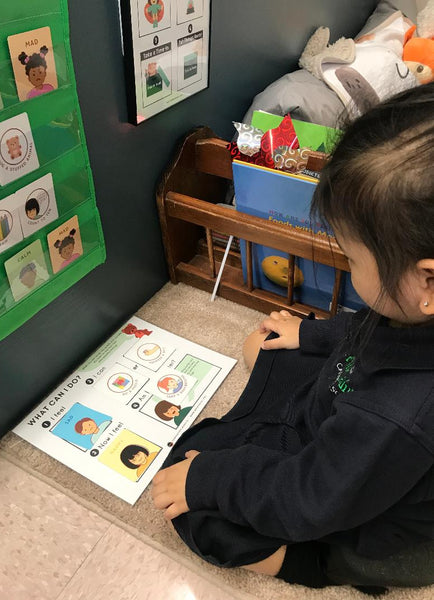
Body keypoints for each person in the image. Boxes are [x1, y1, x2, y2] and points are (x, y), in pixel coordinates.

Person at [152, 82, 434, 591]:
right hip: (348, 416)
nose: (348, 268)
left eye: (352, 258)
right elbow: (365, 328)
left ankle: (308, 563)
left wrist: (212, 479)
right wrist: (312, 335)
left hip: (372, 523)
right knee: (272, 348)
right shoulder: (415, 312)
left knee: (199, 500)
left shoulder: (396, 415)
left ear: (428, 281)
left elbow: (309, 499)